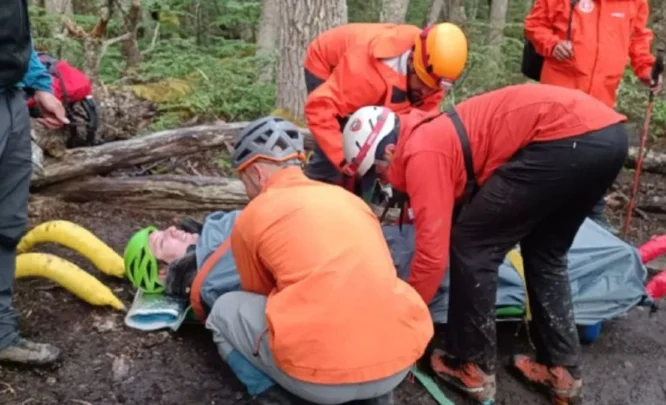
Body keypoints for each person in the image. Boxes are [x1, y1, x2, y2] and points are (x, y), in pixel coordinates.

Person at [342, 84, 631, 405]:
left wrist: (405, 318)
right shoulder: (430, 134)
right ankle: (561, 371)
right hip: (607, 137)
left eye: (377, 171)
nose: (381, 180)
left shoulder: (422, 150)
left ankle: (471, 366)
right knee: (545, 252)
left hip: (565, 138)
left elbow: (432, 256)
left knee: (472, 246)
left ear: (387, 151)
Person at [183, 116, 433, 405]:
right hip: (397, 363)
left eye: (244, 181)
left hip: (319, 381)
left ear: (257, 173)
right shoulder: (349, 201)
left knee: (223, 312)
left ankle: (278, 397)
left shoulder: (255, 214)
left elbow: (258, 293)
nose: (247, 191)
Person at [524, 0, 661, 232]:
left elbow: (638, 38)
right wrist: (552, 44)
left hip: (602, 96)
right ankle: (533, 218)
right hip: (560, 91)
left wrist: (646, 70)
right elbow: (534, 25)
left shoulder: (634, 2)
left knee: (595, 156)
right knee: (553, 157)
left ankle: (591, 215)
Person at [303, 22, 468, 192]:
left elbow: (419, 125)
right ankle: (316, 190)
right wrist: (344, 159)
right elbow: (319, 109)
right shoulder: (363, 73)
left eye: (433, 88)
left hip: (377, 79)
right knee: (338, 149)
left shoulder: (435, 73)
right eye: (423, 83)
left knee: (378, 142)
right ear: (412, 63)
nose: (426, 92)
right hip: (328, 63)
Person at [0, 0, 69, 366]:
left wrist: (40, 85)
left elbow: (17, 32)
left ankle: (2, 334)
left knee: (7, 224)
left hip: (10, 98)